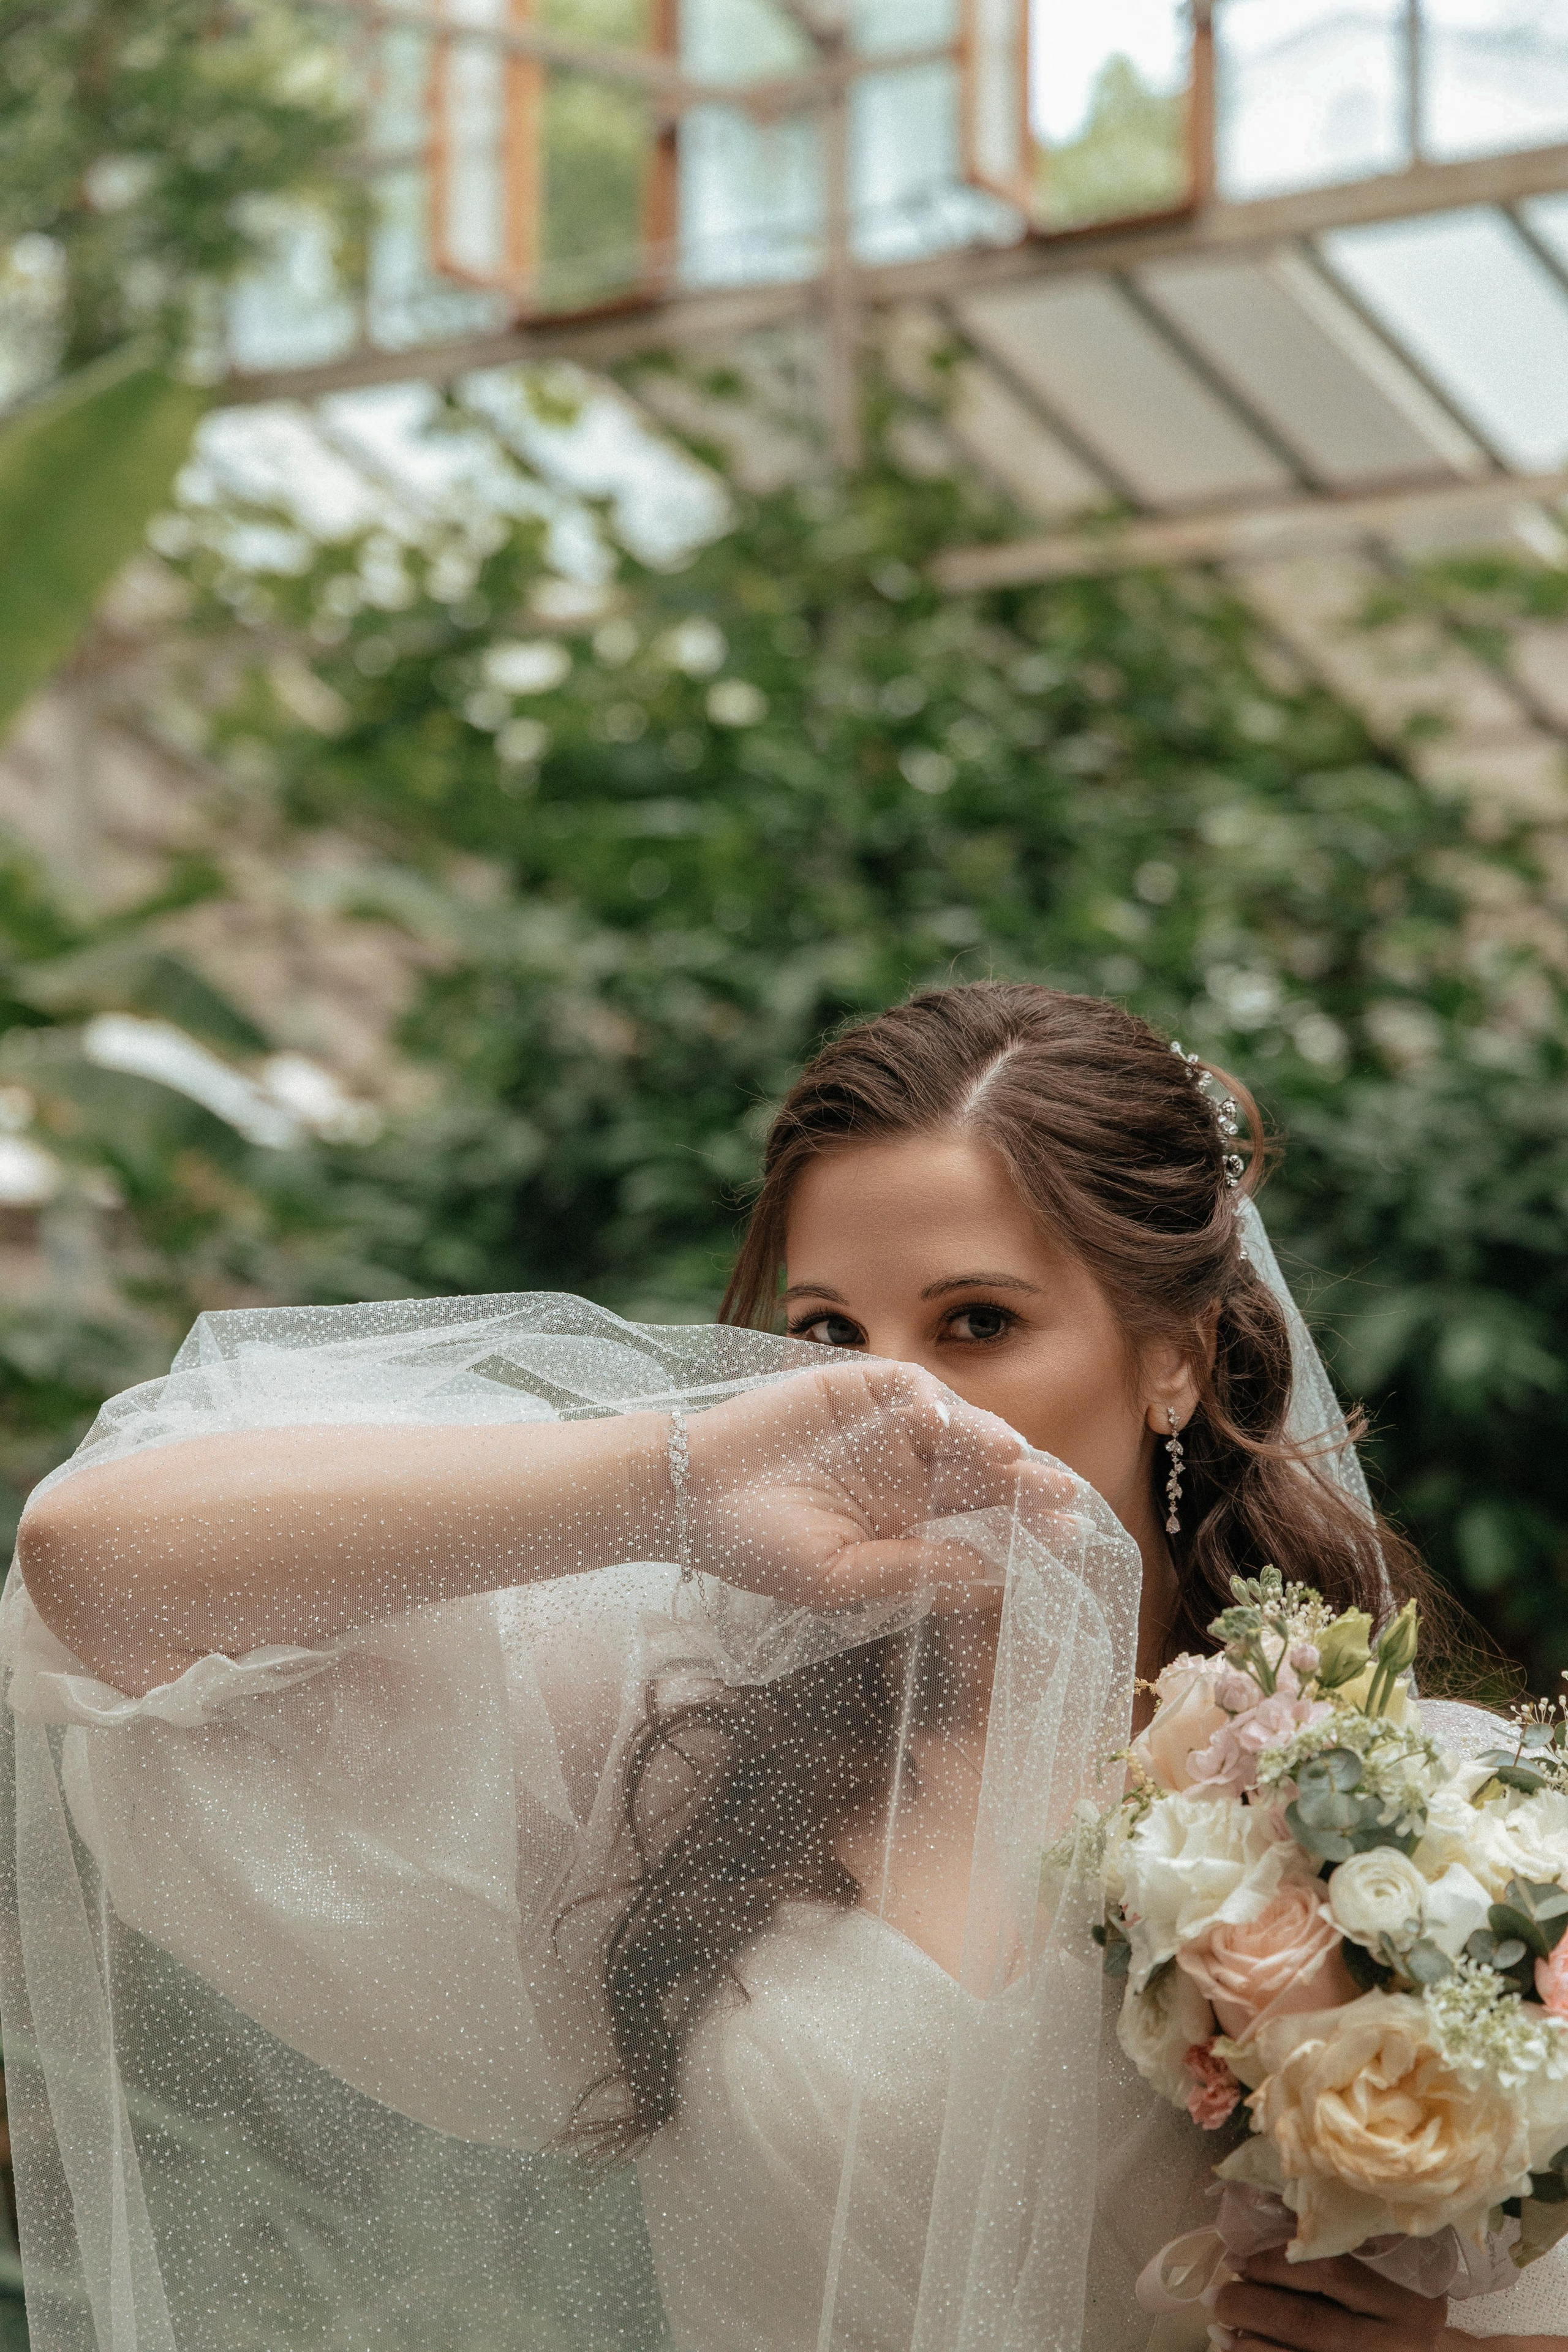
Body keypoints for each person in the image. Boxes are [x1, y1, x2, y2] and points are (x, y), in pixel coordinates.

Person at [4, 982, 1562, 2352]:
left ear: (1173, 1358)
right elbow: (91, 1573)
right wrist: (666, 1486)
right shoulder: (678, 1736)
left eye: (975, 1322)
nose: (892, 1407)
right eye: (827, 1336)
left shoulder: (1420, 1826)